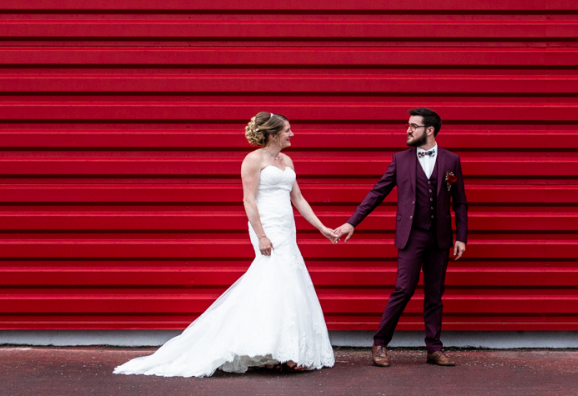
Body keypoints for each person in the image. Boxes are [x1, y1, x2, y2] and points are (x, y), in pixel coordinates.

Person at [114, 112, 338, 376]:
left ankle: (271, 351)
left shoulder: (287, 160)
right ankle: (282, 353)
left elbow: (298, 198)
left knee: (284, 281)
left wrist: (321, 227)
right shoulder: (253, 160)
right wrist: (262, 235)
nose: (292, 134)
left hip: (287, 230)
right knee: (278, 279)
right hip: (266, 227)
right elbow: (249, 201)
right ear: (273, 134)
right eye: (288, 130)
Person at [330, 107, 468, 367]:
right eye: (408, 125)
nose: (408, 129)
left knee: (435, 294)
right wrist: (352, 222)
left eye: (413, 126)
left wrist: (461, 236)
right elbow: (377, 192)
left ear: (429, 130)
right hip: (411, 236)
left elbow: (459, 202)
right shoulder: (400, 160)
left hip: (440, 237)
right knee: (403, 289)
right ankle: (380, 343)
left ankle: (434, 348)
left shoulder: (451, 160)